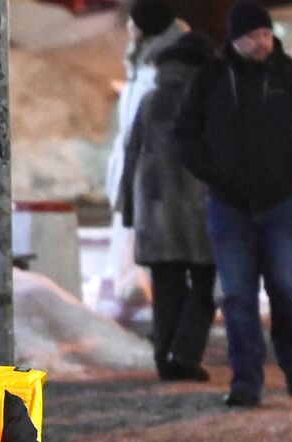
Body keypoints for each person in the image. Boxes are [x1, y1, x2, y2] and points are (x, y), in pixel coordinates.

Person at [173, 0, 292, 406]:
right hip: (229, 206)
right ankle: (247, 380)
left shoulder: (290, 74)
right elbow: (184, 134)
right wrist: (213, 173)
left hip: (282, 202)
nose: (262, 42)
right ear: (235, 39)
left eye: (265, 34)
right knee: (238, 296)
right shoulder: (210, 78)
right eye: (252, 36)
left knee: (287, 288)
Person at [120, 31, 217, 383]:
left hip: (156, 212)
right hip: (200, 212)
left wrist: (129, 209)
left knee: (167, 289)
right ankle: (185, 354)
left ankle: (166, 358)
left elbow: (131, 157)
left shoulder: (151, 101)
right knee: (206, 286)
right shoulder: (208, 100)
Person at [104, 0, 187, 318]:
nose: (127, 28)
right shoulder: (142, 62)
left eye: (132, 22)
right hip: (135, 169)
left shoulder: (161, 68)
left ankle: (157, 314)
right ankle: (143, 306)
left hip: (154, 172)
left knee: (155, 246)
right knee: (135, 243)